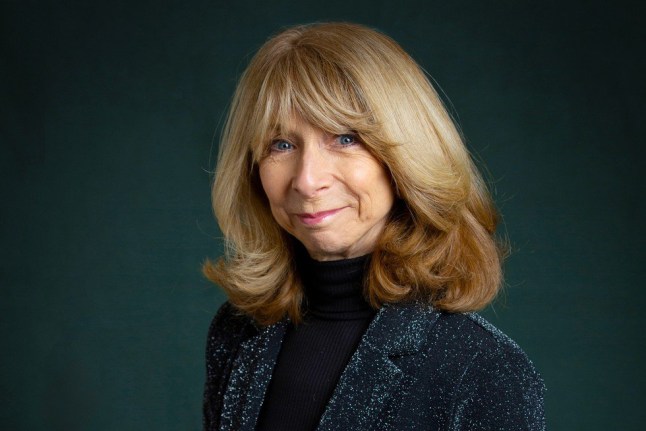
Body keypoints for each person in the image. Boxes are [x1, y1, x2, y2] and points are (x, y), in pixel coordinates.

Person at [202, 22, 545, 431]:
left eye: (345, 139)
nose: (308, 180)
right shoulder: (238, 331)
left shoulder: (483, 371)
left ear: (406, 160)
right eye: (282, 145)